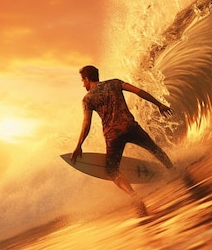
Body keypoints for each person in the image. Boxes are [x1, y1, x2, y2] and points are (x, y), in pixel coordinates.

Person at [71, 65, 177, 217]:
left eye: (82, 80)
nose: (83, 84)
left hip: (113, 136)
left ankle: (134, 196)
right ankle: (174, 171)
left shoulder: (88, 99)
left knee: (112, 170)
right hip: (130, 127)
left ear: (87, 79)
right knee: (155, 150)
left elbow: (86, 124)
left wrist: (79, 145)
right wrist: (159, 104)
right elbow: (139, 92)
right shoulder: (115, 83)